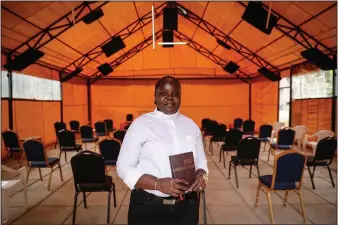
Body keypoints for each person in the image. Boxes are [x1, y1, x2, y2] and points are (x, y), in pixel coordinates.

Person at [116, 76, 208, 225]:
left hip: (187, 207)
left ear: (181, 97)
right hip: (149, 208)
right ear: (155, 97)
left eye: (175, 93)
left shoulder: (191, 126)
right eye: (163, 93)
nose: (170, 98)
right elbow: (123, 167)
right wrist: (157, 184)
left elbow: (202, 162)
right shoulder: (140, 125)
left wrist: (203, 176)